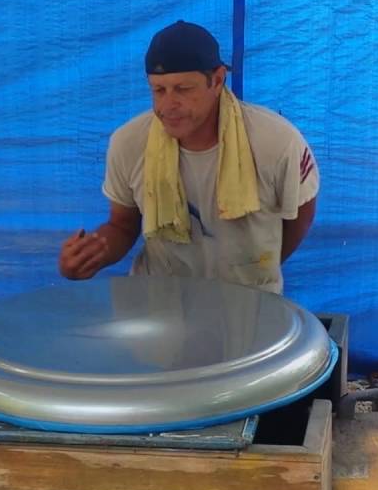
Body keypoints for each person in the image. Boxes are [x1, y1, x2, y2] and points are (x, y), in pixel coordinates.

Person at [58, 20, 318, 294]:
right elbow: (122, 225)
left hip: (249, 304)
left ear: (217, 80)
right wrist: (92, 254)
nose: (168, 105)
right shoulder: (129, 143)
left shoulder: (276, 142)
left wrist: (257, 270)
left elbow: (300, 214)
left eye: (183, 89)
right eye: (158, 90)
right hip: (159, 306)